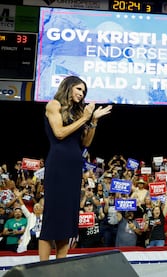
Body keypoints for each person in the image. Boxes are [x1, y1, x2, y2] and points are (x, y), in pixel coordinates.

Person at [39, 76, 112, 261]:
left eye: (84, 92)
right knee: (52, 217)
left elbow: (85, 142)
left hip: (74, 167)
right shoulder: (53, 105)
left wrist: (93, 121)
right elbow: (60, 133)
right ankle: (42, 268)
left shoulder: (80, 113)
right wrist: (85, 118)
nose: (81, 94)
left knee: (66, 221)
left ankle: (59, 267)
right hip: (58, 165)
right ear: (69, 87)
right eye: (79, 89)